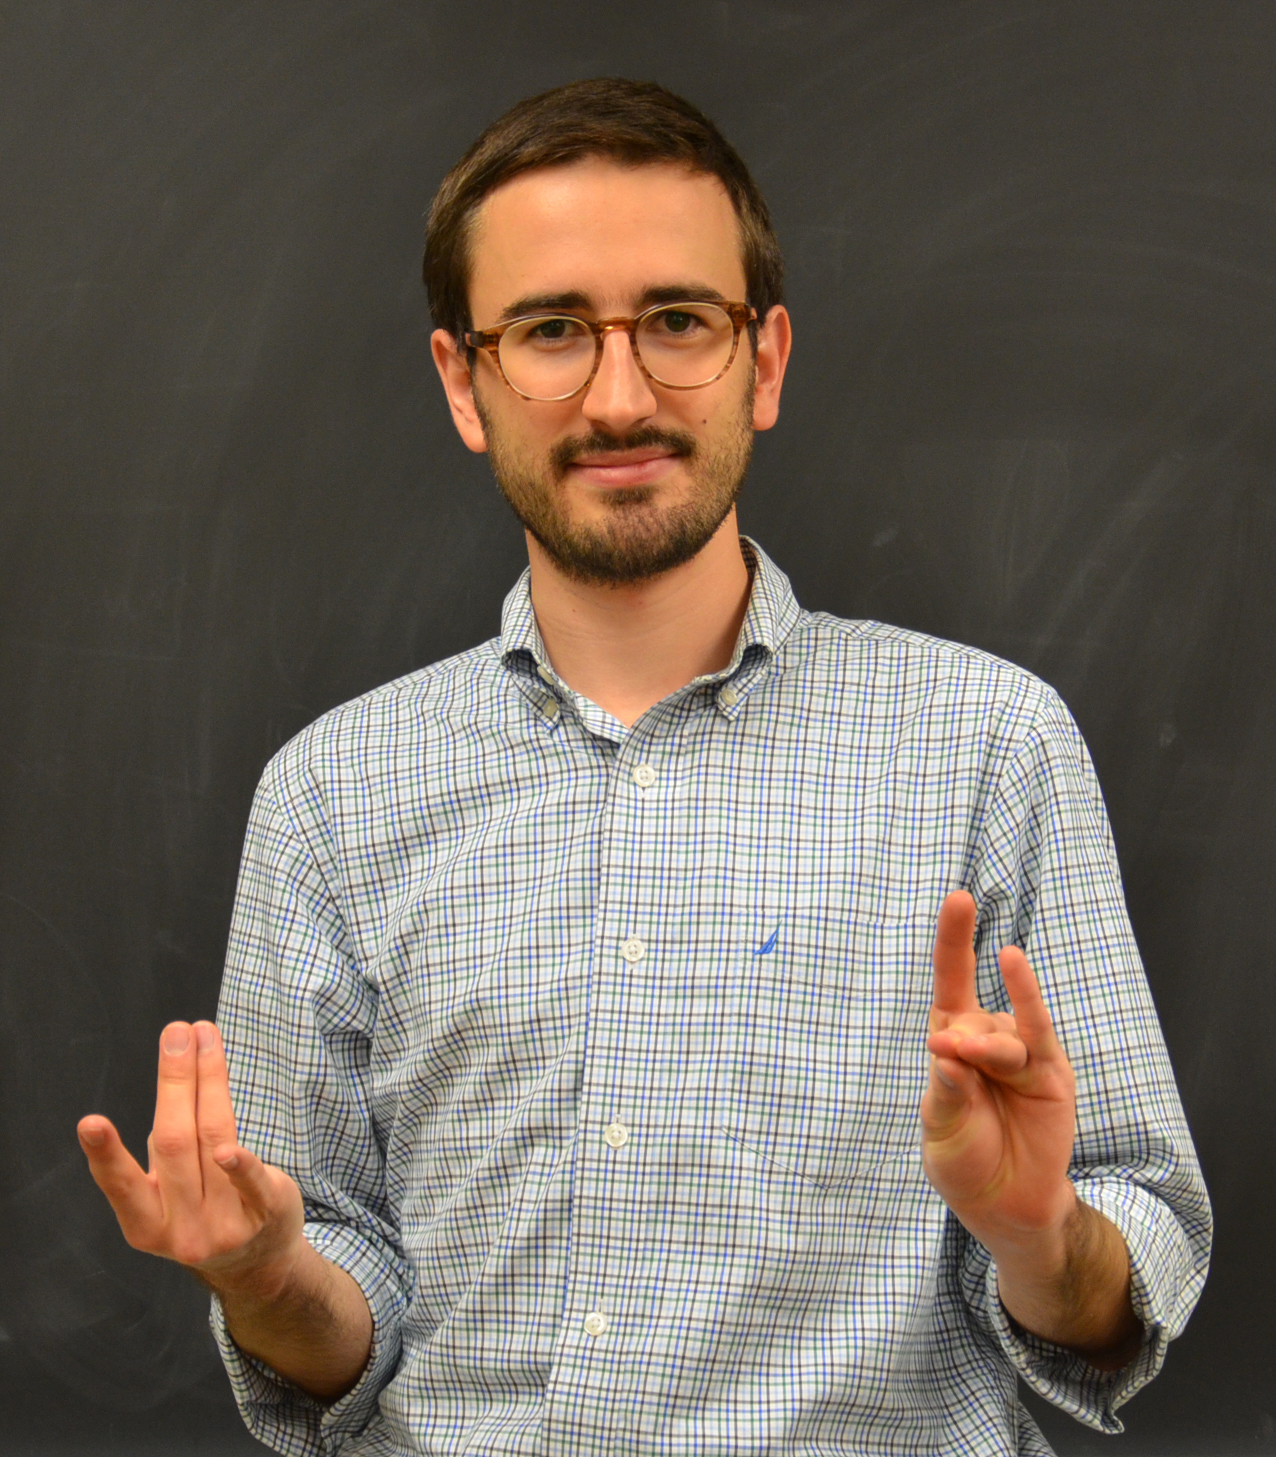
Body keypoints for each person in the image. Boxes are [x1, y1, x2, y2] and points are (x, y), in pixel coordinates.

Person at [77, 79, 1210, 1456]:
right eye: (552, 331)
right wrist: (265, 1277)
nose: (621, 396)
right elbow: (334, 1316)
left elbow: (1125, 1244)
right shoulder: (330, 795)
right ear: (464, 382)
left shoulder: (990, 747)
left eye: (678, 321)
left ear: (767, 358)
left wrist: (1040, 1235)